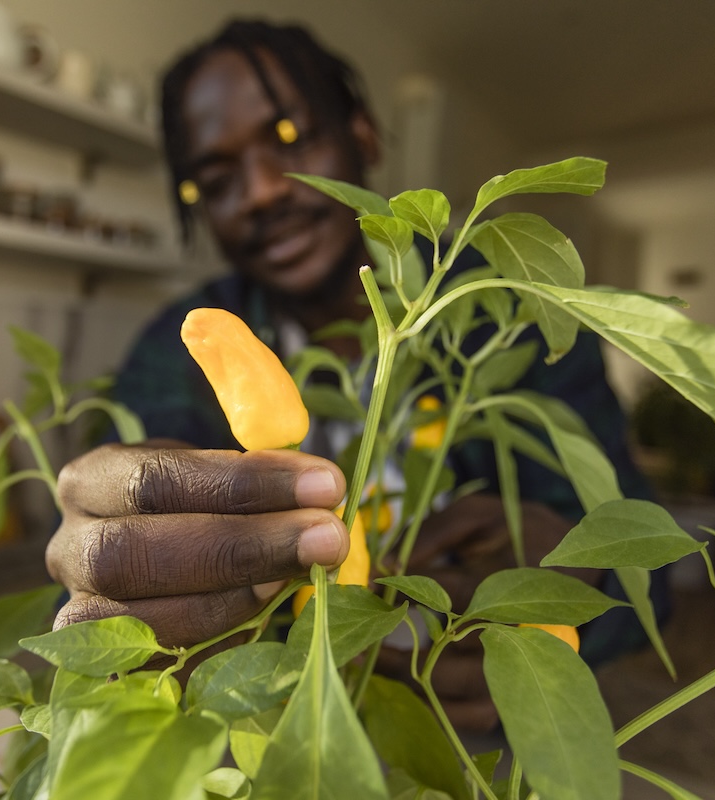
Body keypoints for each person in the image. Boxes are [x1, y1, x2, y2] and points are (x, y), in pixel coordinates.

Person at [45, 19, 659, 731]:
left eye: (288, 140)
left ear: (363, 136)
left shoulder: (507, 315)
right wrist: (119, 565)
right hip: (277, 727)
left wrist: (568, 585)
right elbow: (107, 543)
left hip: (476, 747)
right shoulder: (177, 345)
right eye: (216, 180)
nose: (262, 192)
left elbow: (644, 566)